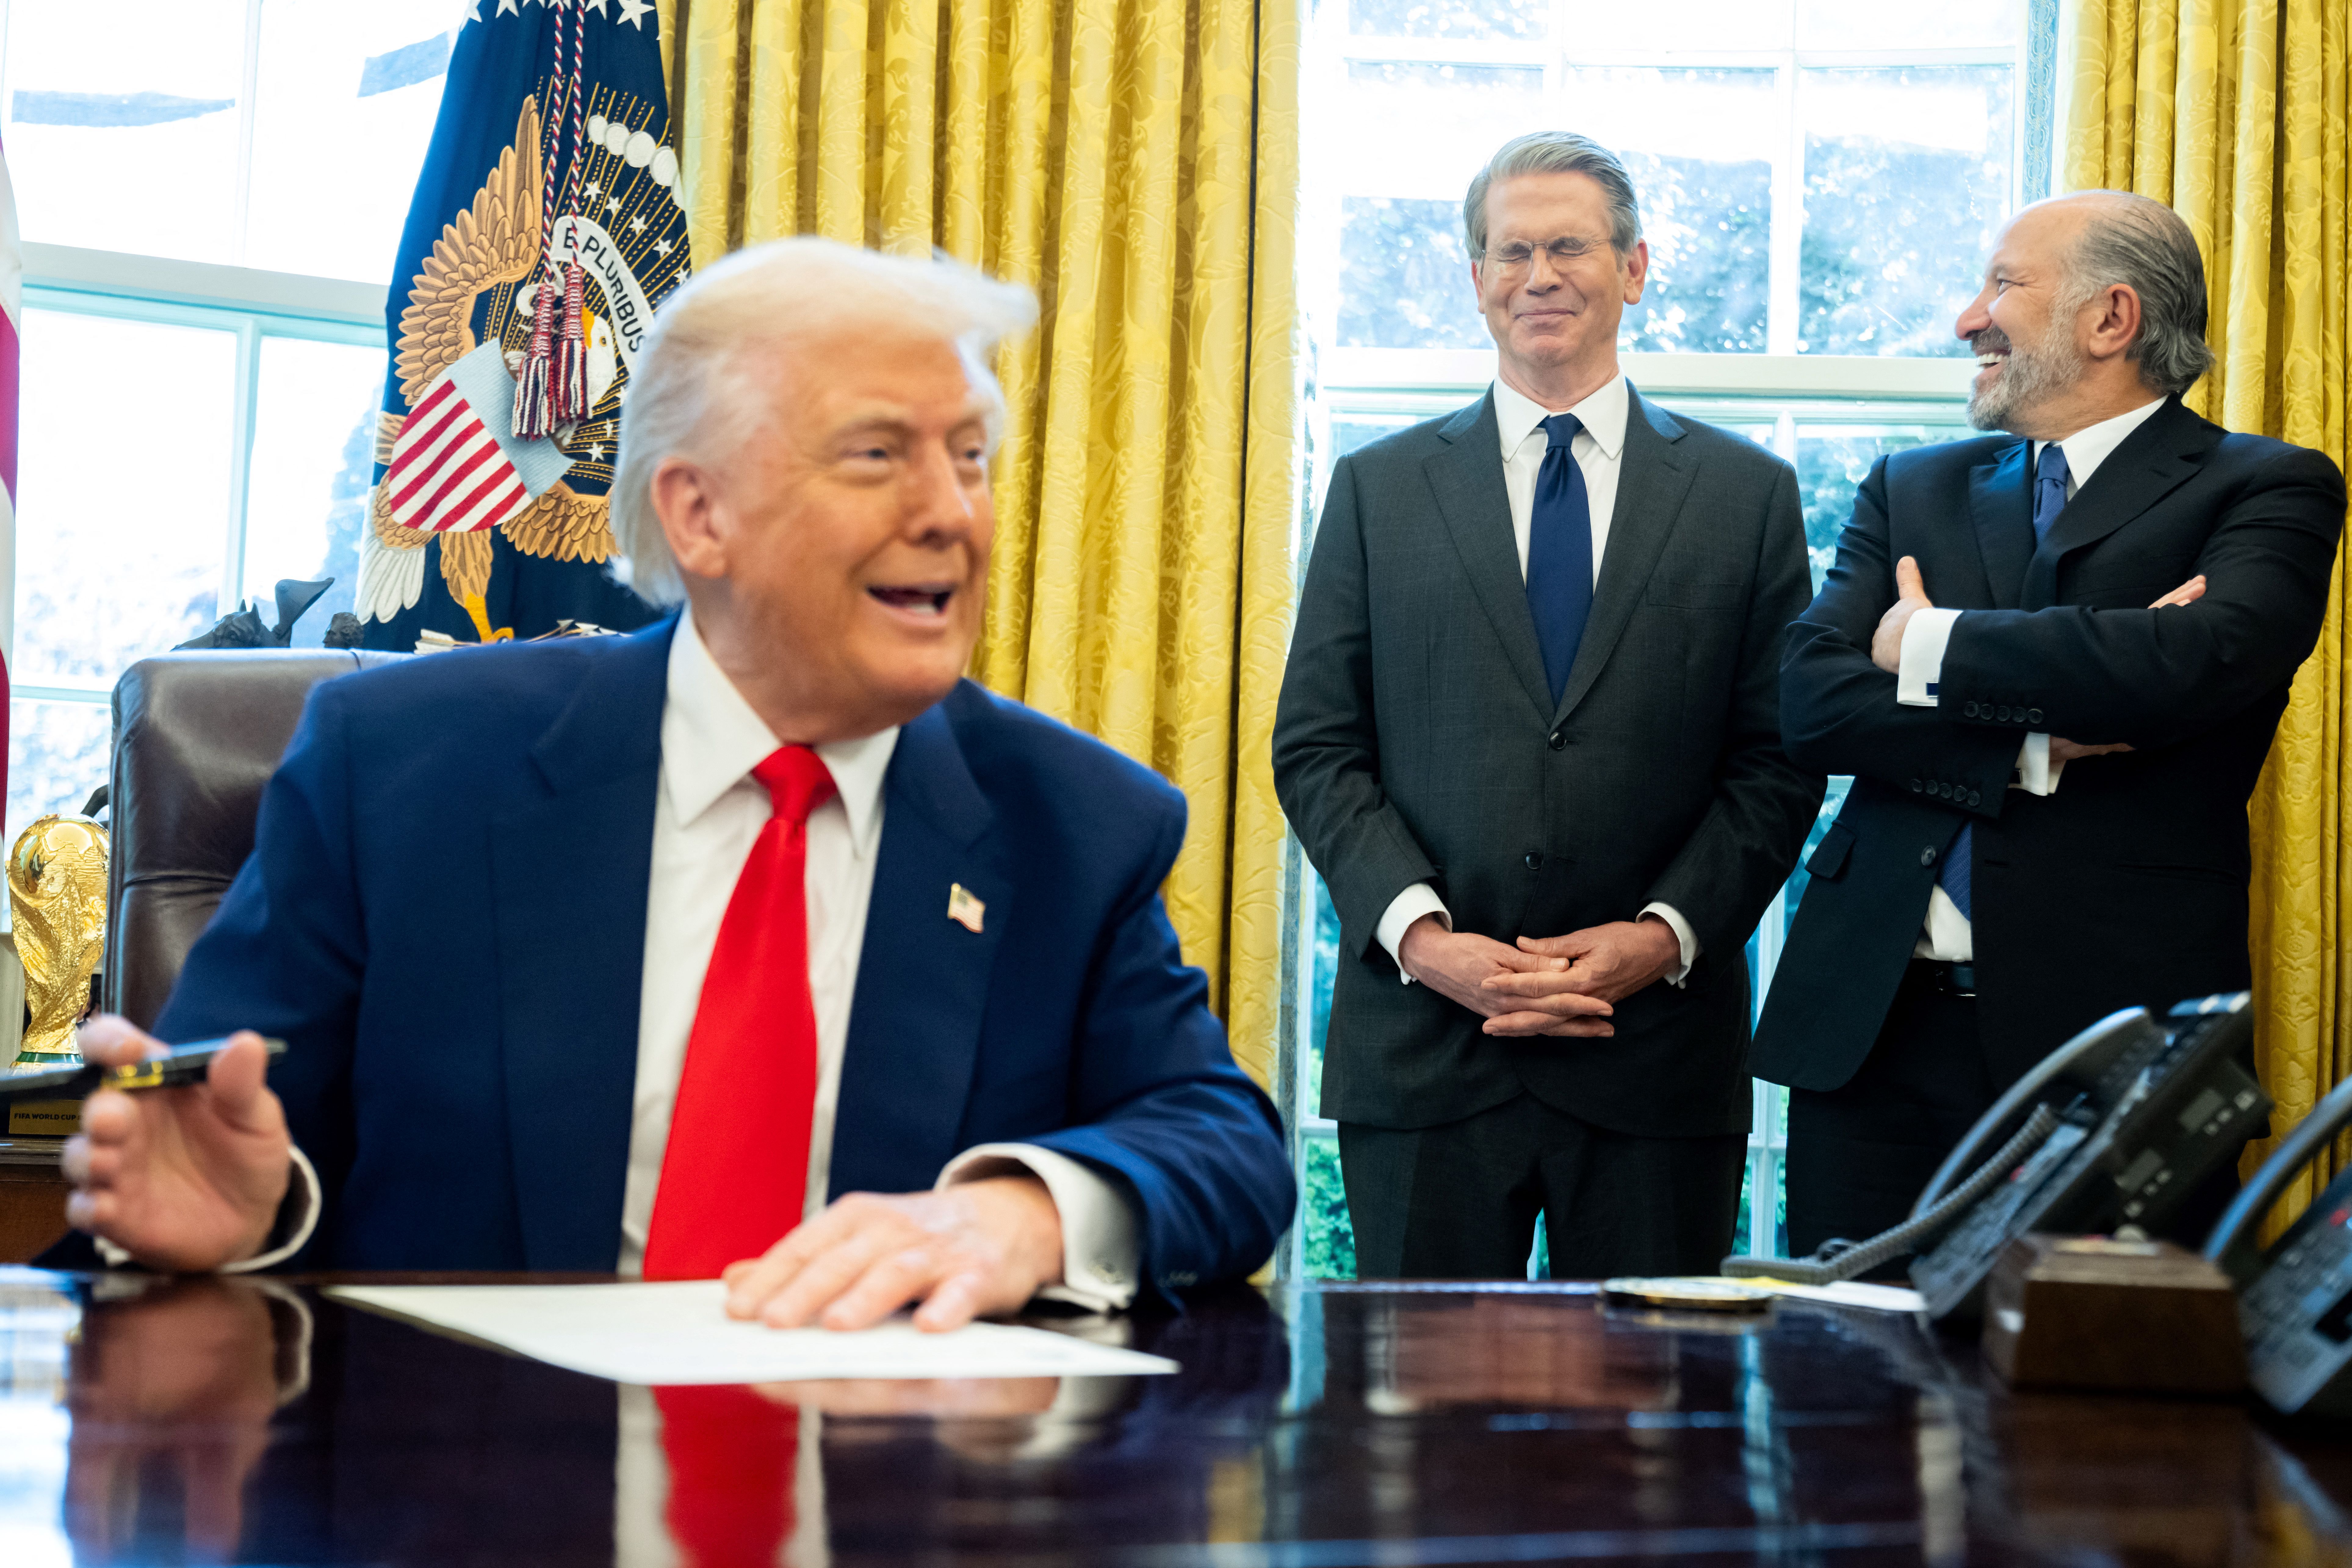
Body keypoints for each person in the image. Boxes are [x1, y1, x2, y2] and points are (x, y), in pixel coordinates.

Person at [56, 237, 1295, 1328]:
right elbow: (219, 1136)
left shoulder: (1070, 824)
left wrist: (1021, 1216)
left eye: (970, 457)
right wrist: (244, 1218)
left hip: (890, 1502)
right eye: (878, 455)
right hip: (460, 1493)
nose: (950, 513)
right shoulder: (401, 770)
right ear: (699, 514)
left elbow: (1226, 1145)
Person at [1753, 192, 2347, 1255]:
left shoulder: (2265, 490)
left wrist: (1926, 644)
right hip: (1872, 1031)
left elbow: (2186, 666)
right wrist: (2030, 740)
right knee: (1847, 1385)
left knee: (2085, 1398)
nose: (1966, 318)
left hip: (2112, 1044)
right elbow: (1809, 698)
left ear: (2109, 318)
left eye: (2002, 286)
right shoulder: (1911, 485)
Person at [1272, 132, 1821, 1280]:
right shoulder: (1377, 488)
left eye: (1568, 245)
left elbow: (1775, 762)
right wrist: (1427, 944)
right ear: (1476, 281)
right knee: (1408, 1444)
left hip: (1656, 1057)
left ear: (1634, 268)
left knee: (1650, 1447)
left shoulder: (1746, 495)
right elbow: (1320, 747)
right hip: (1424, 1053)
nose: (1538, 274)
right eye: (1509, 250)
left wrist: (1656, 939)